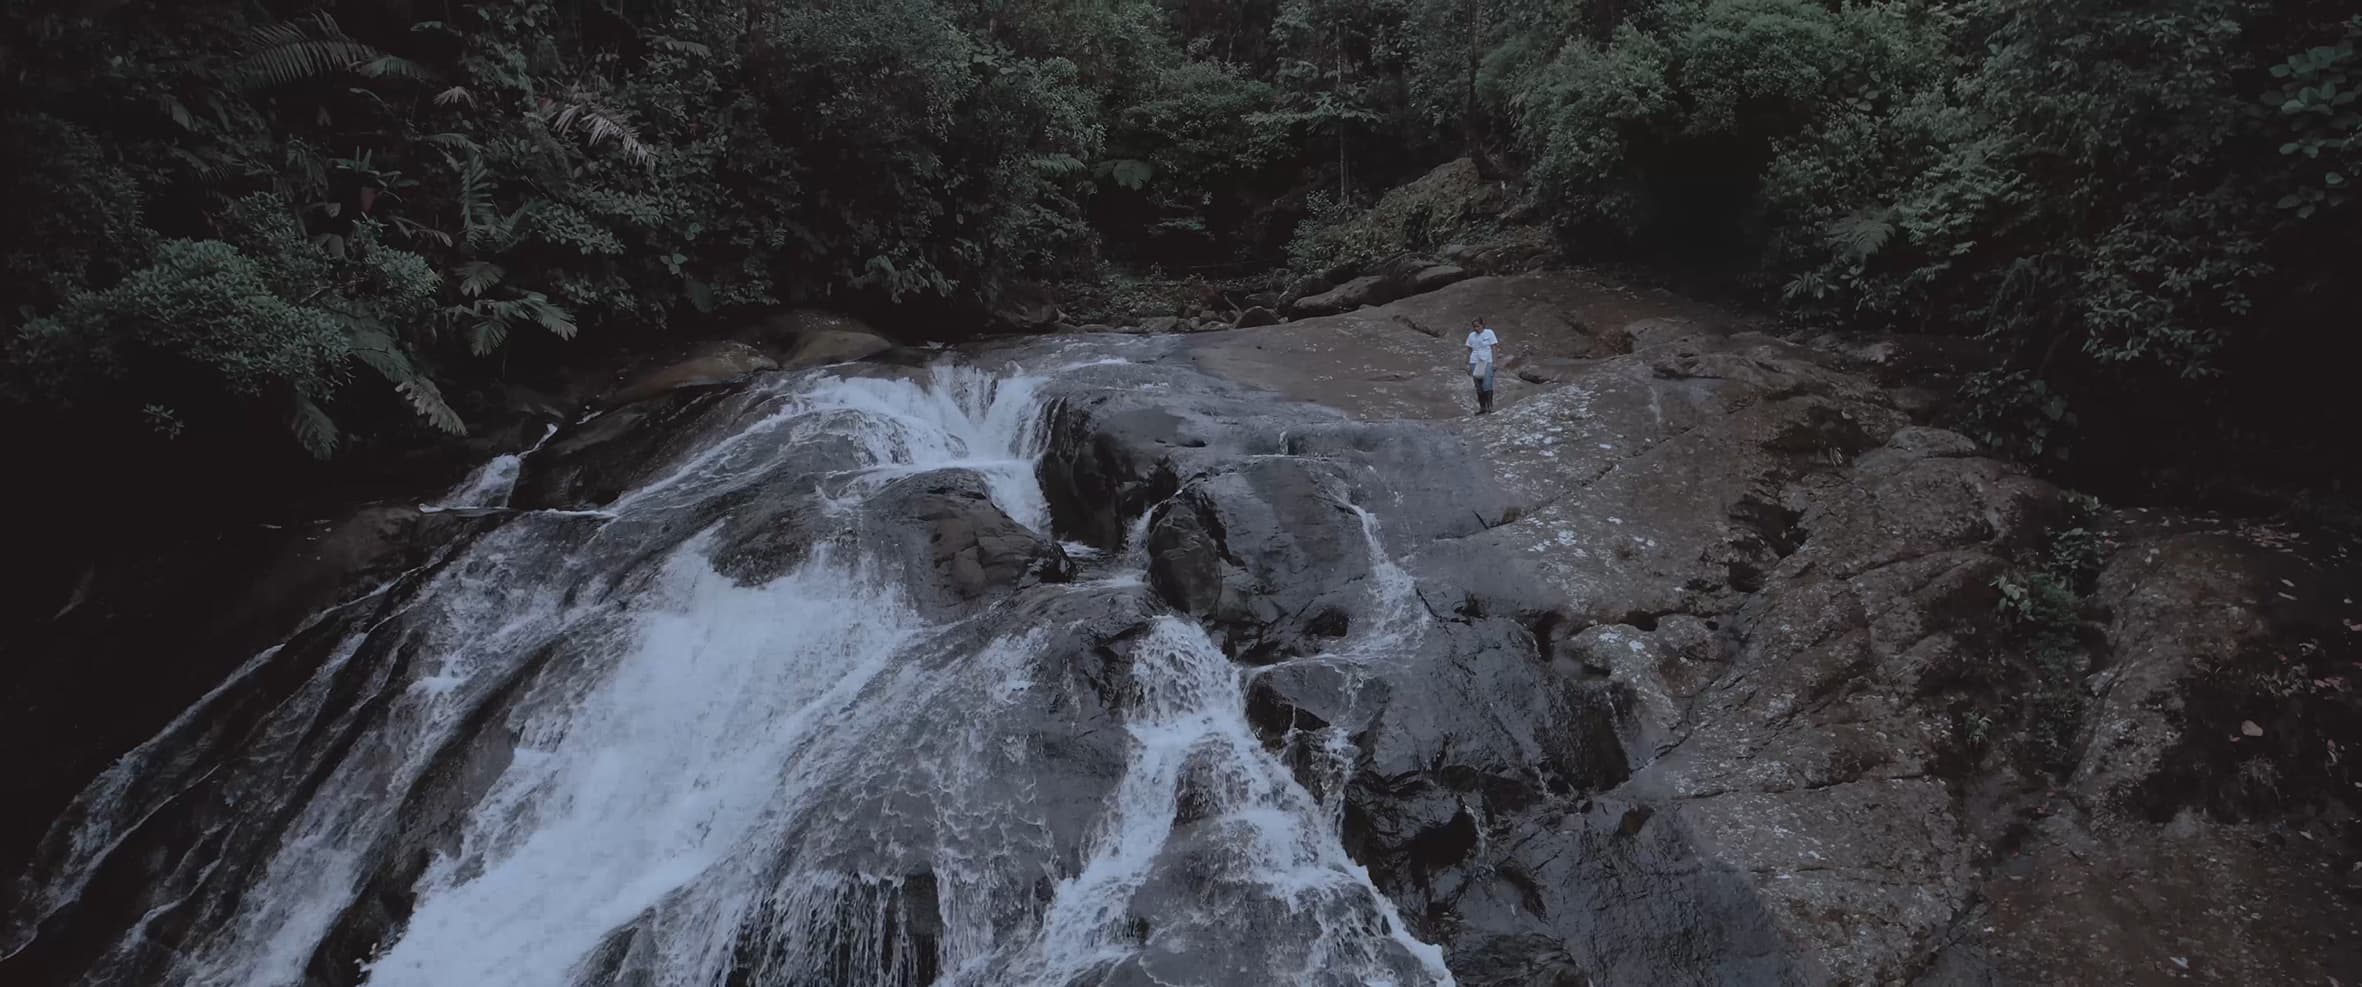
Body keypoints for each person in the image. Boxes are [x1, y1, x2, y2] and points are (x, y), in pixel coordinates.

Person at [1465, 317, 1498, 414]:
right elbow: (1468, 350)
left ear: (1482, 325)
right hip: (1475, 360)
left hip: (1487, 360)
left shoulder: (1489, 333)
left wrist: (1495, 362)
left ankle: (1490, 407)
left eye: (1478, 326)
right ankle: (1482, 407)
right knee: (1478, 386)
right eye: (1474, 327)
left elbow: (1494, 347)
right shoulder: (1471, 336)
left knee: (1487, 384)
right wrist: (1467, 363)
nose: (1476, 328)